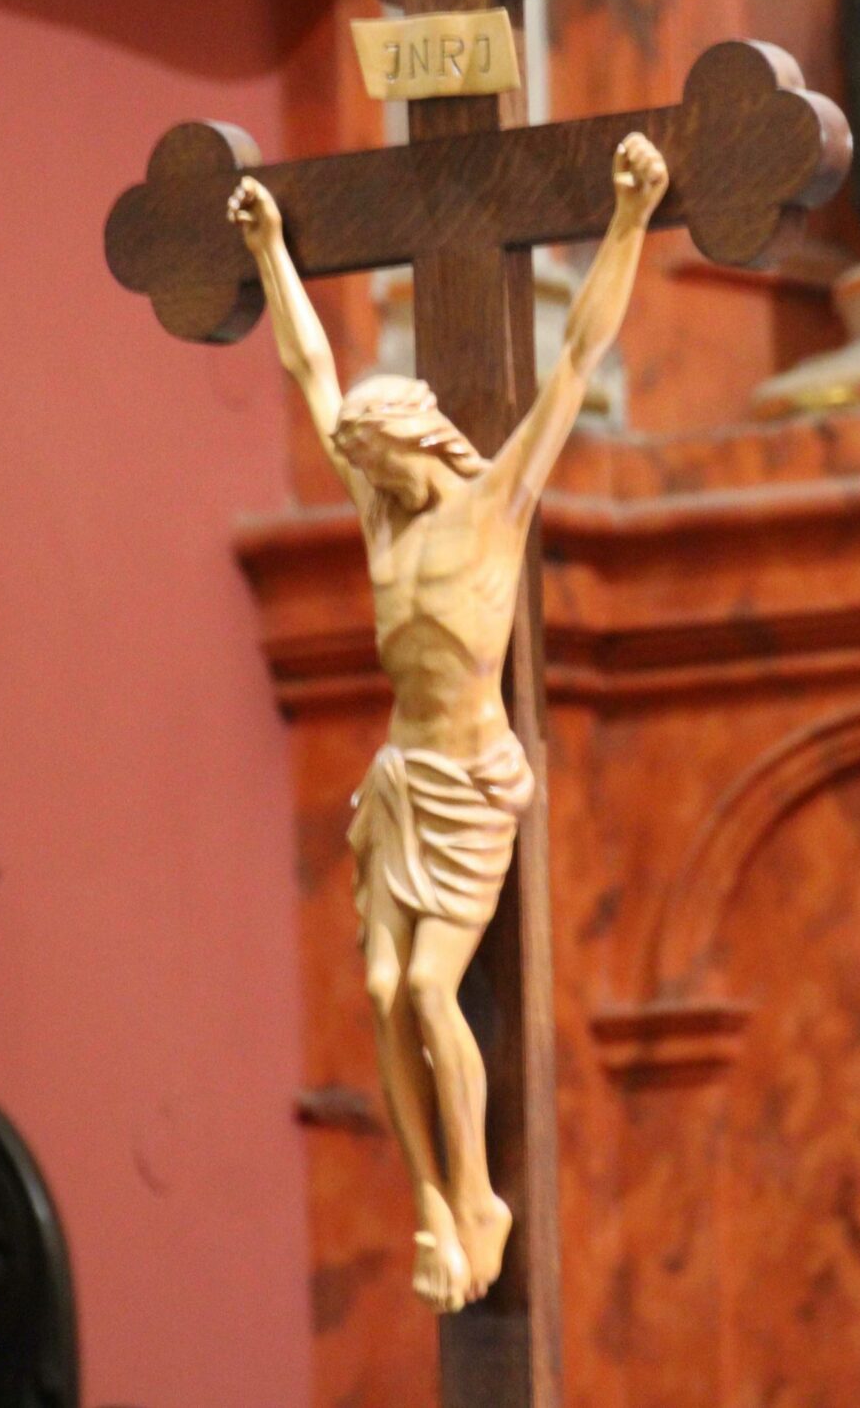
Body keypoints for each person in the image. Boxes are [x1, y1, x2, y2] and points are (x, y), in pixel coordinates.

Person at [229, 131, 667, 1313]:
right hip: (400, 781)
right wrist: (271, 254)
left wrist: (629, 217)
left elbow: (577, 356)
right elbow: (308, 370)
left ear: (414, 440)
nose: (360, 467)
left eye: (371, 452)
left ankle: (479, 1196)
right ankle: (432, 1197)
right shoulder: (384, 526)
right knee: (380, 995)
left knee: (429, 991)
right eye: (354, 458)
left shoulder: (495, 506)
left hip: (469, 784)